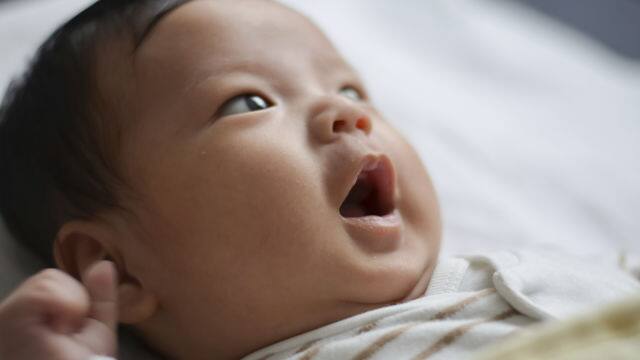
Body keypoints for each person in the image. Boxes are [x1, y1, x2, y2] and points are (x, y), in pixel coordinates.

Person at [0, 1, 637, 359]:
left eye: (348, 86)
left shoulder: (561, 266)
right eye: (250, 102)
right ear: (118, 267)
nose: (348, 113)